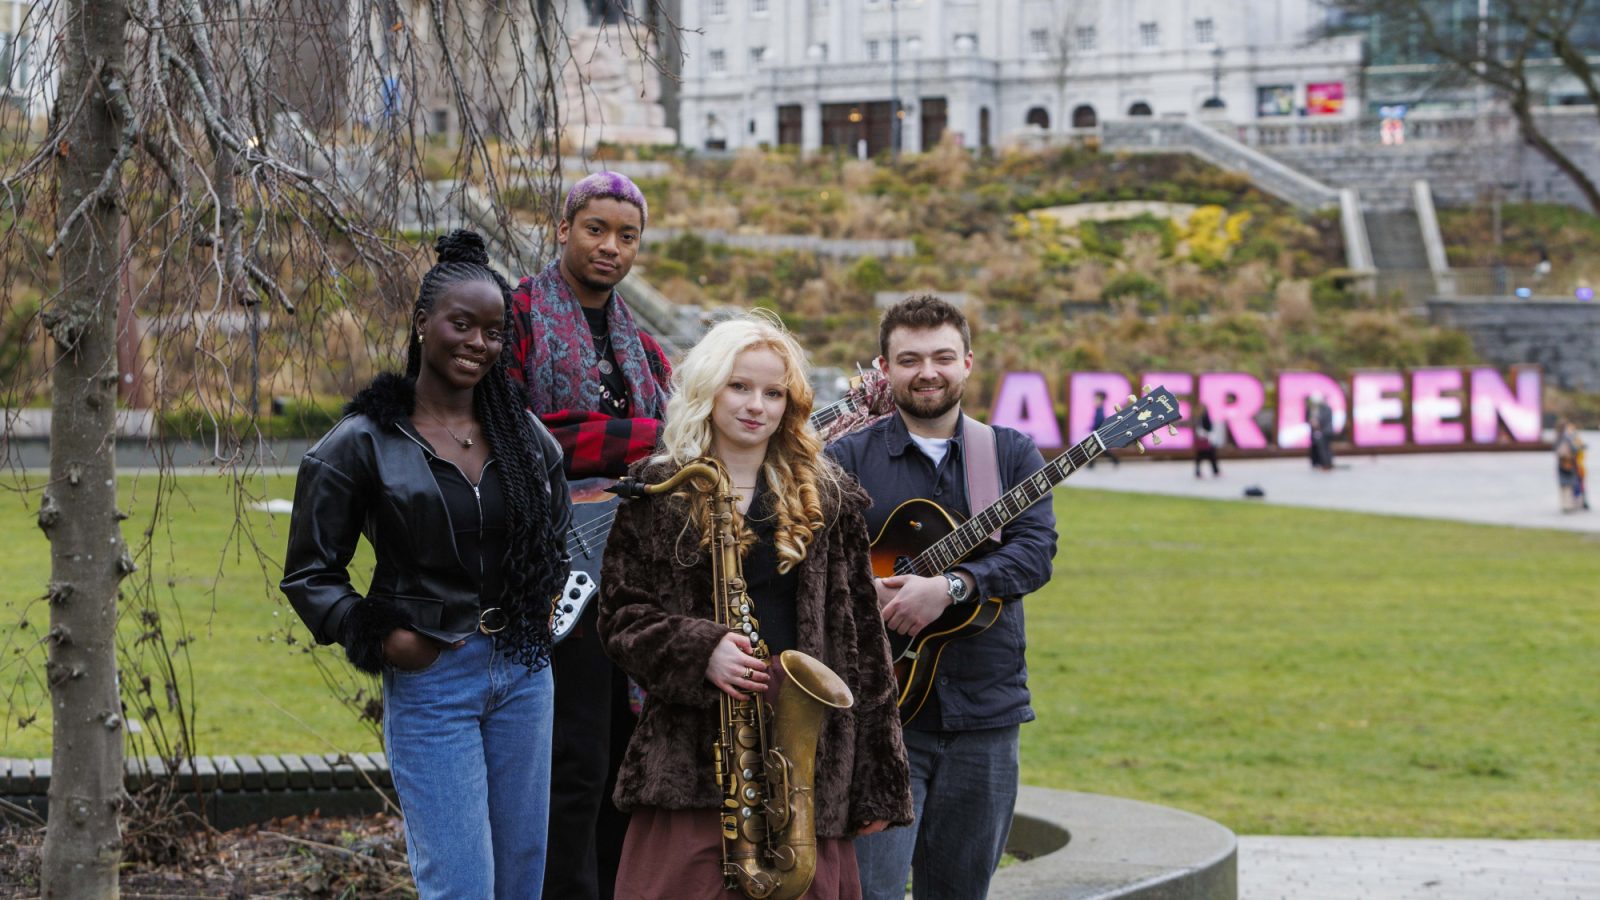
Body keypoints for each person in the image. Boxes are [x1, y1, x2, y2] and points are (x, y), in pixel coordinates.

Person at [282, 230, 571, 898]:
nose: (478, 343)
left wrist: (545, 596)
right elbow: (309, 574)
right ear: (421, 324)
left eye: (494, 332)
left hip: (524, 674)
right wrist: (382, 636)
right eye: (462, 325)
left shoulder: (520, 433)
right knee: (463, 883)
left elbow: (555, 534)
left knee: (522, 877)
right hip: (434, 676)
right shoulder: (363, 441)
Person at [597, 314, 915, 898]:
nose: (756, 406)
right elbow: (619, 617)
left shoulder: (830, 497)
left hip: (806, 760)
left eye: (774, 393)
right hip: (693, 760)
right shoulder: (657, 486)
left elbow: (865, 647)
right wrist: (699, 652)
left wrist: (876, 783)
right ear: (708, 388)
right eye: (739, 386)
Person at [829, 296, 1058, 900]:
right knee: (870, 892)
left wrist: (953, 586)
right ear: (885, 368)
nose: (927, 371)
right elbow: (811, 556)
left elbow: (1035, 552)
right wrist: (861, 590)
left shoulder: (1008, 454)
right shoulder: (846, 458)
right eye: (909, 359)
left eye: (941, 357)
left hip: (984, 713)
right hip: (879, 718)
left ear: (967, 363)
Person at [506, 171, 673, 900]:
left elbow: (683, 453)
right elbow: (511, 434)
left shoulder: (647, 347)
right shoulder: (516, 316)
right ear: (564, 228)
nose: (610, 247)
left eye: (626, 235)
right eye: (596, 229)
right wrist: (647, 439)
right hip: (549, 574)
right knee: (568, 763)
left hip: (635, 578)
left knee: (623, 759)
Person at [1556, 421, 1589, 512]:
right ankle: (1569, 504)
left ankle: (1566, 504)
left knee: (1565, 485)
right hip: (1570, 465)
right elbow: (1575, 449)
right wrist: (1581, 447)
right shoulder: (1568, 438)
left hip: (1563, 464)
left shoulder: (1558, 437)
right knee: (1570, 485)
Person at [1087, 393, 1119, 468]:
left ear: (1101, 401)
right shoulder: (1098, 409)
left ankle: (1115, 460)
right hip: (1098, 433)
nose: (1094, 401)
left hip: (1099, 433)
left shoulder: (1100, 410)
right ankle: (1115, 460)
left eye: (1096, 399)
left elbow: (1099, 421)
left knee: (1096, 449)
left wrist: (1093, 428)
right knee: (1098, 449)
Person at [1193, 402, 1221, 478]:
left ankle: (1215, 471)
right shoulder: (1200, 418)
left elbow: (1209, 429)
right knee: (1203, 458)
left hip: (1207, 441)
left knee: (1210, 457)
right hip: (1204, 441)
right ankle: (1200, 472)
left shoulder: (1204, 418)